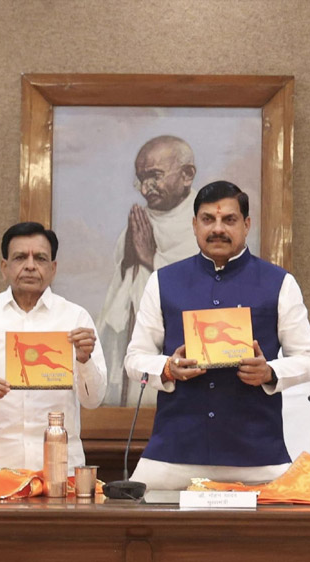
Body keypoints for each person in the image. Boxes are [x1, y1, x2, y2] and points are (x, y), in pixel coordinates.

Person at [124, 180, 310, 490]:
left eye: (229, 220)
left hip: (257, 454)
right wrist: (167, 368)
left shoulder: (279, 283)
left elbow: (308, 360)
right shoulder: (163, 282)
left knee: (290, 515)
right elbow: (134, 359)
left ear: (246, 225)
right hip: (173, 452)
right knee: (128, 509)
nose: (218, 229)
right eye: (208, 220)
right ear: (194, 225)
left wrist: (269, 372)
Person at [0, 222, 107, 471]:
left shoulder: (76, 318)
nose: (30, 266)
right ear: (5, 267)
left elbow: (93, 400)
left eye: (40, 258)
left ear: (53, 268)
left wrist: (84, 361)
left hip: (59, 470)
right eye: (20, 257)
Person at [99, 135, 200, 406]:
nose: (145, 189)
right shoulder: (139, 223)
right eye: (141, 179)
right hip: (140, 352)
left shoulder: (203, 225)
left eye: (155, 176)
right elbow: (121, 293)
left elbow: (204, 290)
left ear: (187, 175)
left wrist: (150, 259)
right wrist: (130, 261)